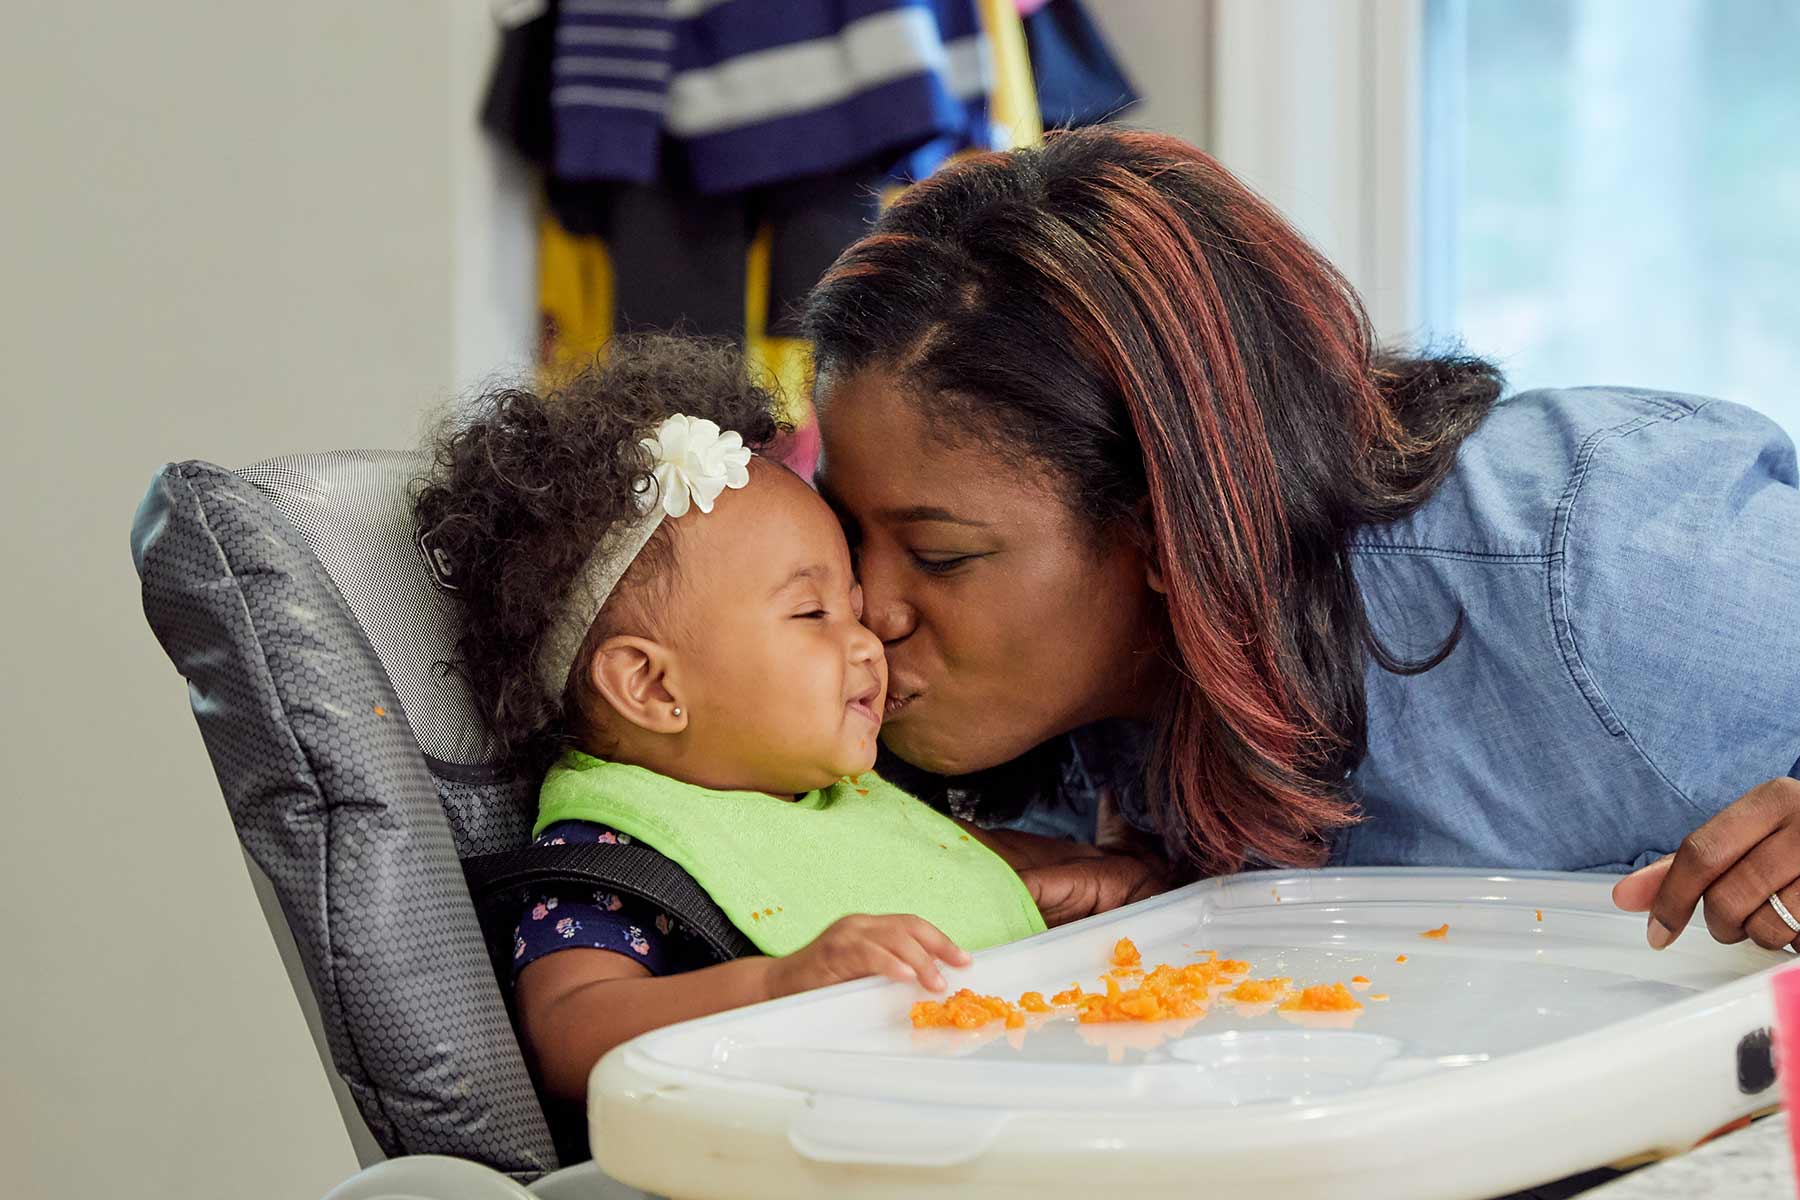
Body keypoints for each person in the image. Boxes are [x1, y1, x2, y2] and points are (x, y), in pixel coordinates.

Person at [802, 127, 1800, 952]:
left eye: (941, 557)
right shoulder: (927, 721)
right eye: (850, 535)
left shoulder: (1599, 553)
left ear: (1164, 519)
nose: (868, 610)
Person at [413, 337, 1124, 1104]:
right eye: (813, 612)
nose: (869, 638)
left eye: (851, 607)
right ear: (650, 686)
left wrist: (1046, 893)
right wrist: (782, 981)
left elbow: (915, 896)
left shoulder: (831, 799)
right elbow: (571, 1033)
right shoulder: (621, 854)